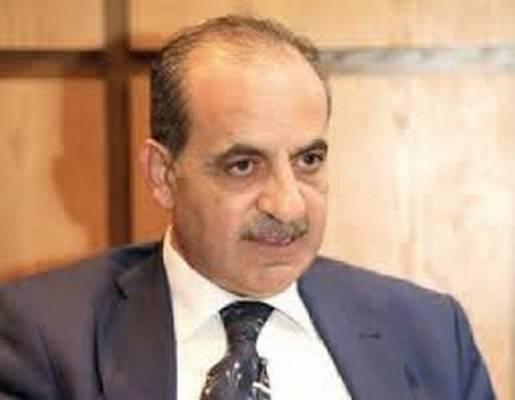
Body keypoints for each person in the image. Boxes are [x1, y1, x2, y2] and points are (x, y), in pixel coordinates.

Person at [0, 15, 494, 400]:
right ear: (163, 175)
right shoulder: (45, 335)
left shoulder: (429, 333)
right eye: (243, 165)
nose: (287, 204)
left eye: (308, 160)